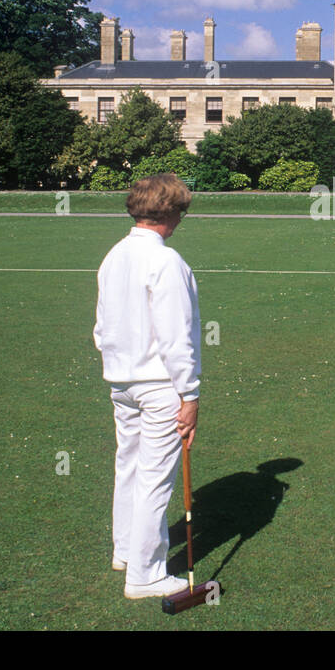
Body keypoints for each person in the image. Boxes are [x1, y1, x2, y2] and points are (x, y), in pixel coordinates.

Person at [94, 174, 202, 599]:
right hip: (159, 385)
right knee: (155, 477)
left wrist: (118, 365)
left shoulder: (114, 255)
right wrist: (189, 393)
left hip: (121, 381)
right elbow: (177, 335)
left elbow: (102, 328)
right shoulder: (167, 262)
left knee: (131, 466)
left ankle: (125, 549)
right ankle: (145, 574)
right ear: (171, 212)